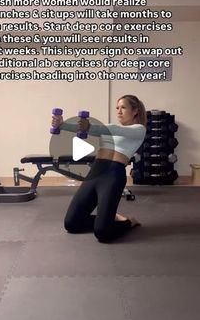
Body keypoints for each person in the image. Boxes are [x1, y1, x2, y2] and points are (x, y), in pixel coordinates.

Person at [51, 95, 147, 243]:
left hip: (113, 176)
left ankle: (128, 222)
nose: (119, 111)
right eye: (117, 108)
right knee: (71, 224)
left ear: (135, 111)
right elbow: (88, 129)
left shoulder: (139, 130)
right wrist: (62, 125)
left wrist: (89, 126)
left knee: (103, 233)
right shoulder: (110, 128)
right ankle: (107, 217)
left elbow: (112, 129)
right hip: (95, 172)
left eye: (123, 107)